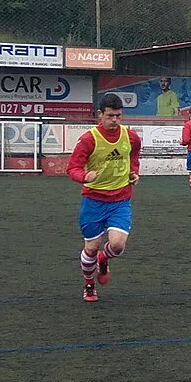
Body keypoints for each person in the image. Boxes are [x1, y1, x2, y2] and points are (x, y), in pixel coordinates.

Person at [67, 95, 141, 303]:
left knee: (117, 246)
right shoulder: (89, 139)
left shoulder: (131, 136)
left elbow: (134, 156)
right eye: (110, 116)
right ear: (100, 115)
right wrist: (84, 176)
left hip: (120, 199)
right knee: (91, 247)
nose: (115, 120)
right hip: (93, 200)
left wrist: (133, 172)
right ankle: (89, 285)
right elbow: (72, 168)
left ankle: (104, 258)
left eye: (118, 115)